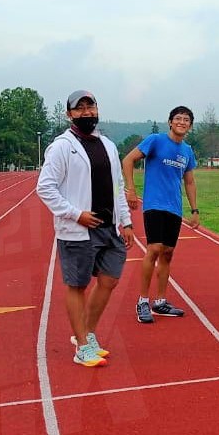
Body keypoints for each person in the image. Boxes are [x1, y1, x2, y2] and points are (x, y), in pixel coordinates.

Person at [36, 90, 135, 367]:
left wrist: (125, 221)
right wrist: (75, 214)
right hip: (78, 229)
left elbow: (117, 187)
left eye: (90, 106)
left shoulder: (108, 146)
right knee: (77, 285)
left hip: (109, 226)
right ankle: (82, 346)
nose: (87, 112)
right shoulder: (61, 147)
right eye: (80, 108)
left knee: (109, 280)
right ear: (70, 114)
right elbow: (45, 187)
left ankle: (86, 333)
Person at [122, 105, 200, 323]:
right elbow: (128, 160)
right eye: (178, 118)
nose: (182, 122)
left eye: (186, 120)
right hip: (154, 204)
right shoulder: (155, 140)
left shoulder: (187, 151)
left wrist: (194, 210)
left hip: (174, 207)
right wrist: (131, 189)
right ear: (170, 122)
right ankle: (143, 301)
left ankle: (160, 301)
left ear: (190, 126)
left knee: (167, 252)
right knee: (154, 248)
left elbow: (190, 181)